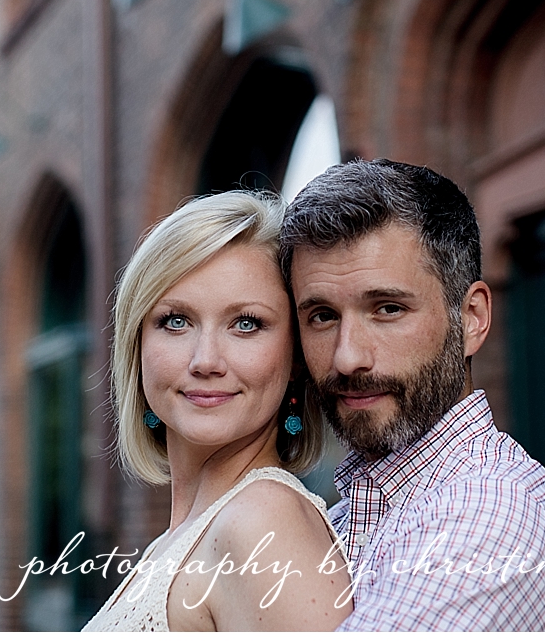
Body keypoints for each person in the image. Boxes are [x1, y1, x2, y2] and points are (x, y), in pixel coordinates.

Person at [280, 159, 545, 630]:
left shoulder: (489, 516)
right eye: (322, 316)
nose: (347, 358)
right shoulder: (348, 513)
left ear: (470, 318)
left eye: (387, 308)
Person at [84, 191, 352, 632]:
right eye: (175, 321)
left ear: (296, 358)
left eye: (246, 323)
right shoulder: (182, 538)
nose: (205, 360)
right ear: (137, 347)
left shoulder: (262, 524)